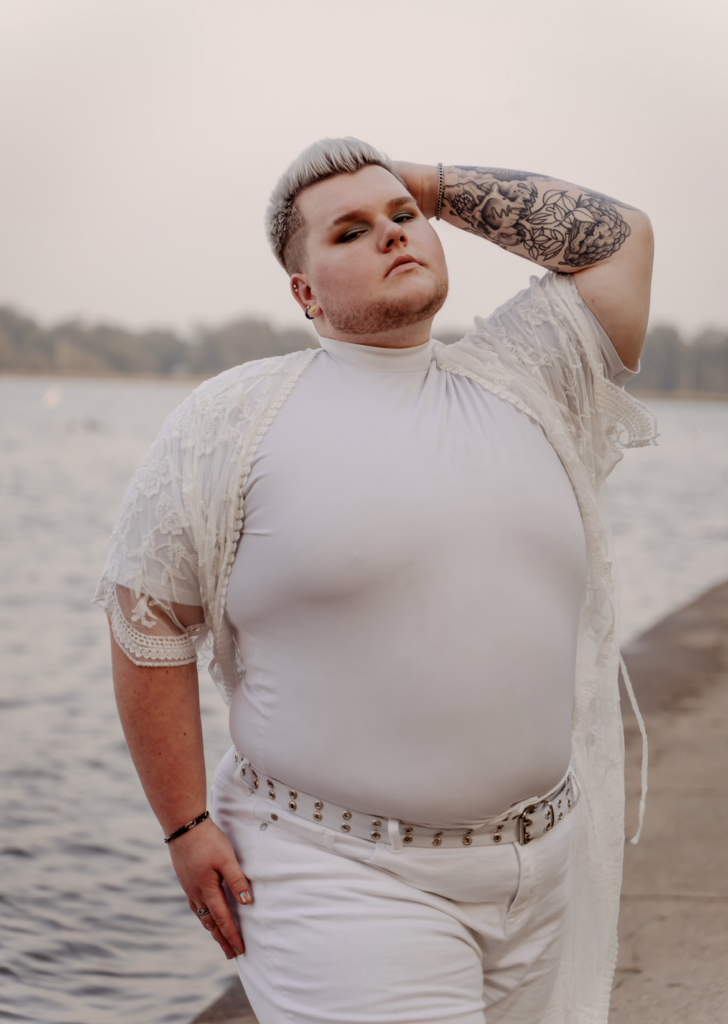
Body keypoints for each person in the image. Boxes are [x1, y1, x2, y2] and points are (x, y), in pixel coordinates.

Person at [94, 138, 657, 1024]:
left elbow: (618, 237)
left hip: (543, 868)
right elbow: (147, 623)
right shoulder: (236, 418)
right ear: (304, 292)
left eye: (404, 219)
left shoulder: (526, 379)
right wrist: (185, 823)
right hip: (339, 873)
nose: (393, 235)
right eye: (350, 231)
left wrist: (422, 179)